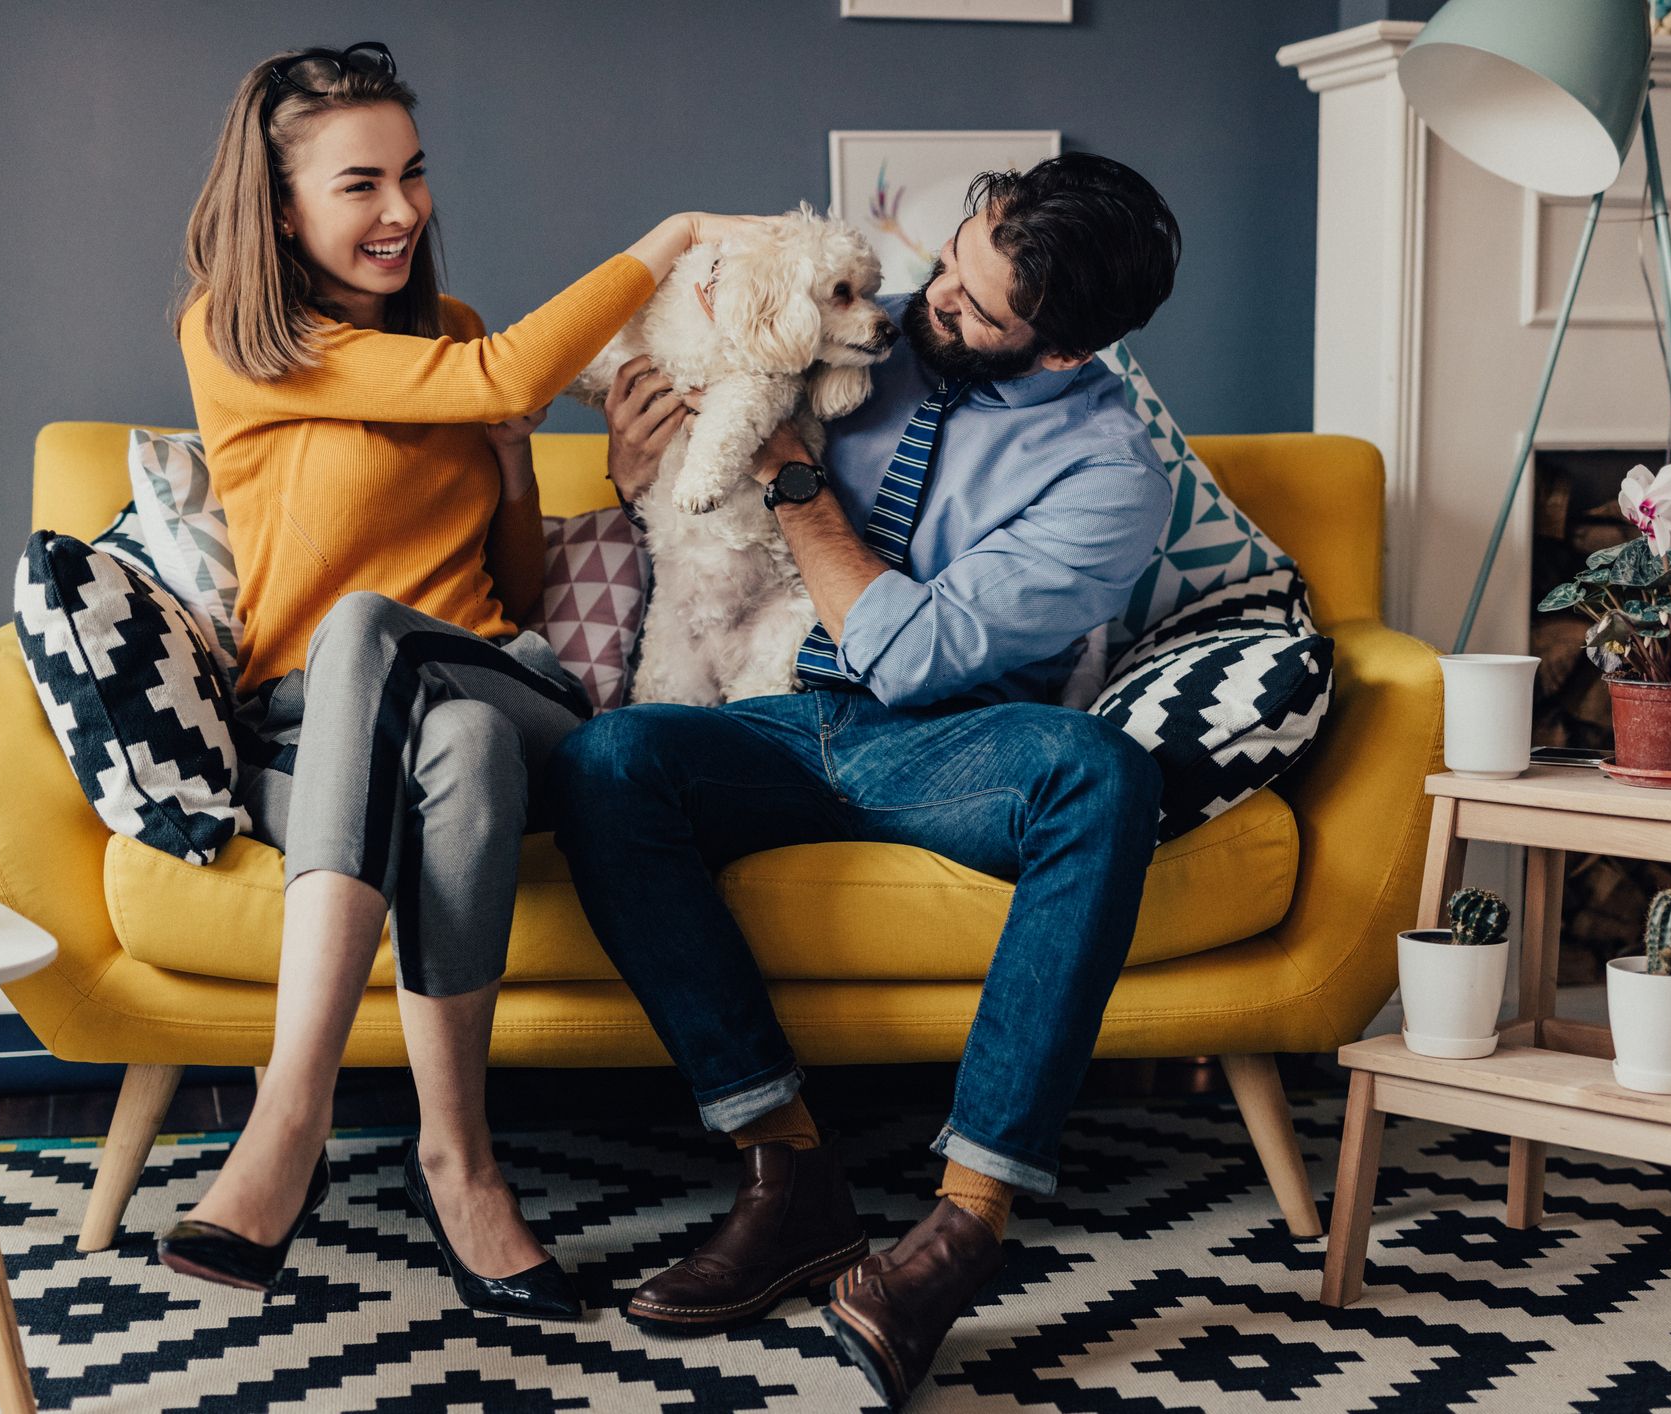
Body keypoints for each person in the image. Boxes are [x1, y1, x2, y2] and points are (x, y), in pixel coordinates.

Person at [553, 152, 1182, 1405]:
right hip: (769, 712)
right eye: (949, 261)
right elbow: (679, 448)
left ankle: (962, 1228)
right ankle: (788, 1175)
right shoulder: (858, 323)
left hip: (940, 741)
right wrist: (638, 466)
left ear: (1060, 350)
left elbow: (914, 654)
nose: (923, 305)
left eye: (972, 308)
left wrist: (790, 472)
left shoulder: (1114, 477)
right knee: (608, 759)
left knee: (1106, 773)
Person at [151, 41, 754, 1320]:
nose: (403, 211)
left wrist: (525, 476)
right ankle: (458, 1159)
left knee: (399, 644)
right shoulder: (236, 339)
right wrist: (677, 233)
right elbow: (504, 381)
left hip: (511, 675)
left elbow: (518, 591)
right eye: (361, 183)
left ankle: (288, 1118)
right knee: (449, 737)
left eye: (414, 175)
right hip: (317, 734)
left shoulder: (458, 334)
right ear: (281, 208)